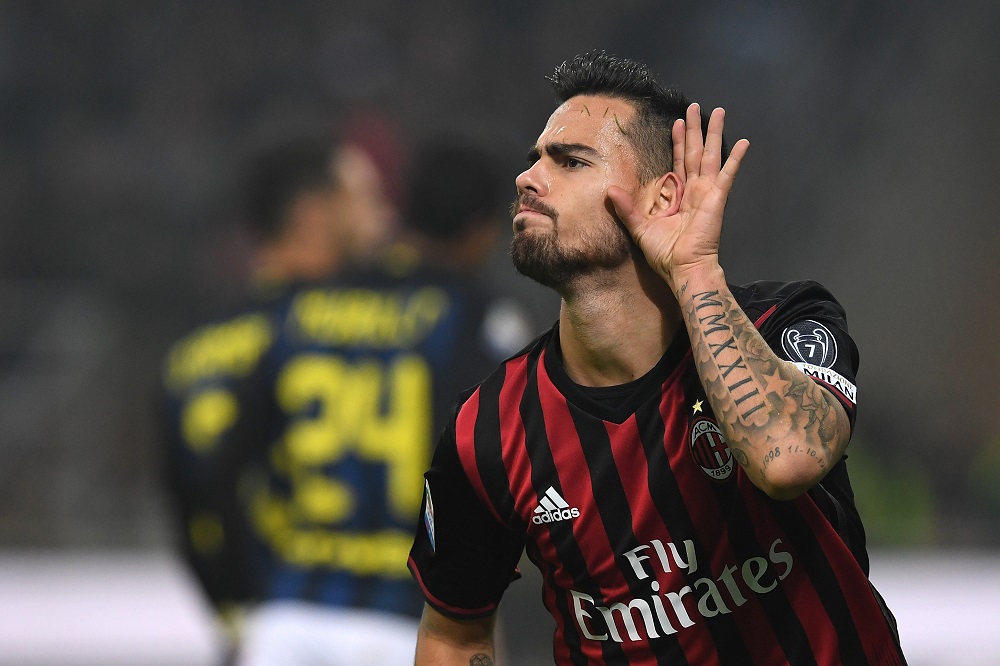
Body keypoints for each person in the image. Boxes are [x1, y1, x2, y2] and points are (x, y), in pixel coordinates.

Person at [408, 51, 907, 665]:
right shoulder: (487, 428)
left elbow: (787, 461)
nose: (527, 178)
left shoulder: (784, 323)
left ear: (662, 197)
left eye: (570, 161)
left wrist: (694, 268)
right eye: (535, 158)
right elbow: (453, 634)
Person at [161, 133, 535, 666]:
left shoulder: (303, 311)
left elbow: (217, 475)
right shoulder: (470, 319)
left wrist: (242, 599)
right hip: (404, 621)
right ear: (482, 231)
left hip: (286, 617)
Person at [159, 132, 397, 660]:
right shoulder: (366, 341)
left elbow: (192, 508)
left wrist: (239, 613)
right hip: (363, 617)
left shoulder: (193, 356)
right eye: (366, 198)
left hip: (261, 632)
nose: (384, 217)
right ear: (314, 215)